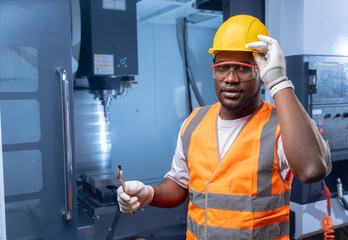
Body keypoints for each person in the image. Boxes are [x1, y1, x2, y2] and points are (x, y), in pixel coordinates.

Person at [117, 15, 331, 240]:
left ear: (261, 71)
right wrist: (148, 194)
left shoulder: (282, 125)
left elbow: (312, 170)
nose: (230, 78)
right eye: (222, 67)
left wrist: (278, 81)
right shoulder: (194, 122)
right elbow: (180, 184)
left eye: (242, 68)